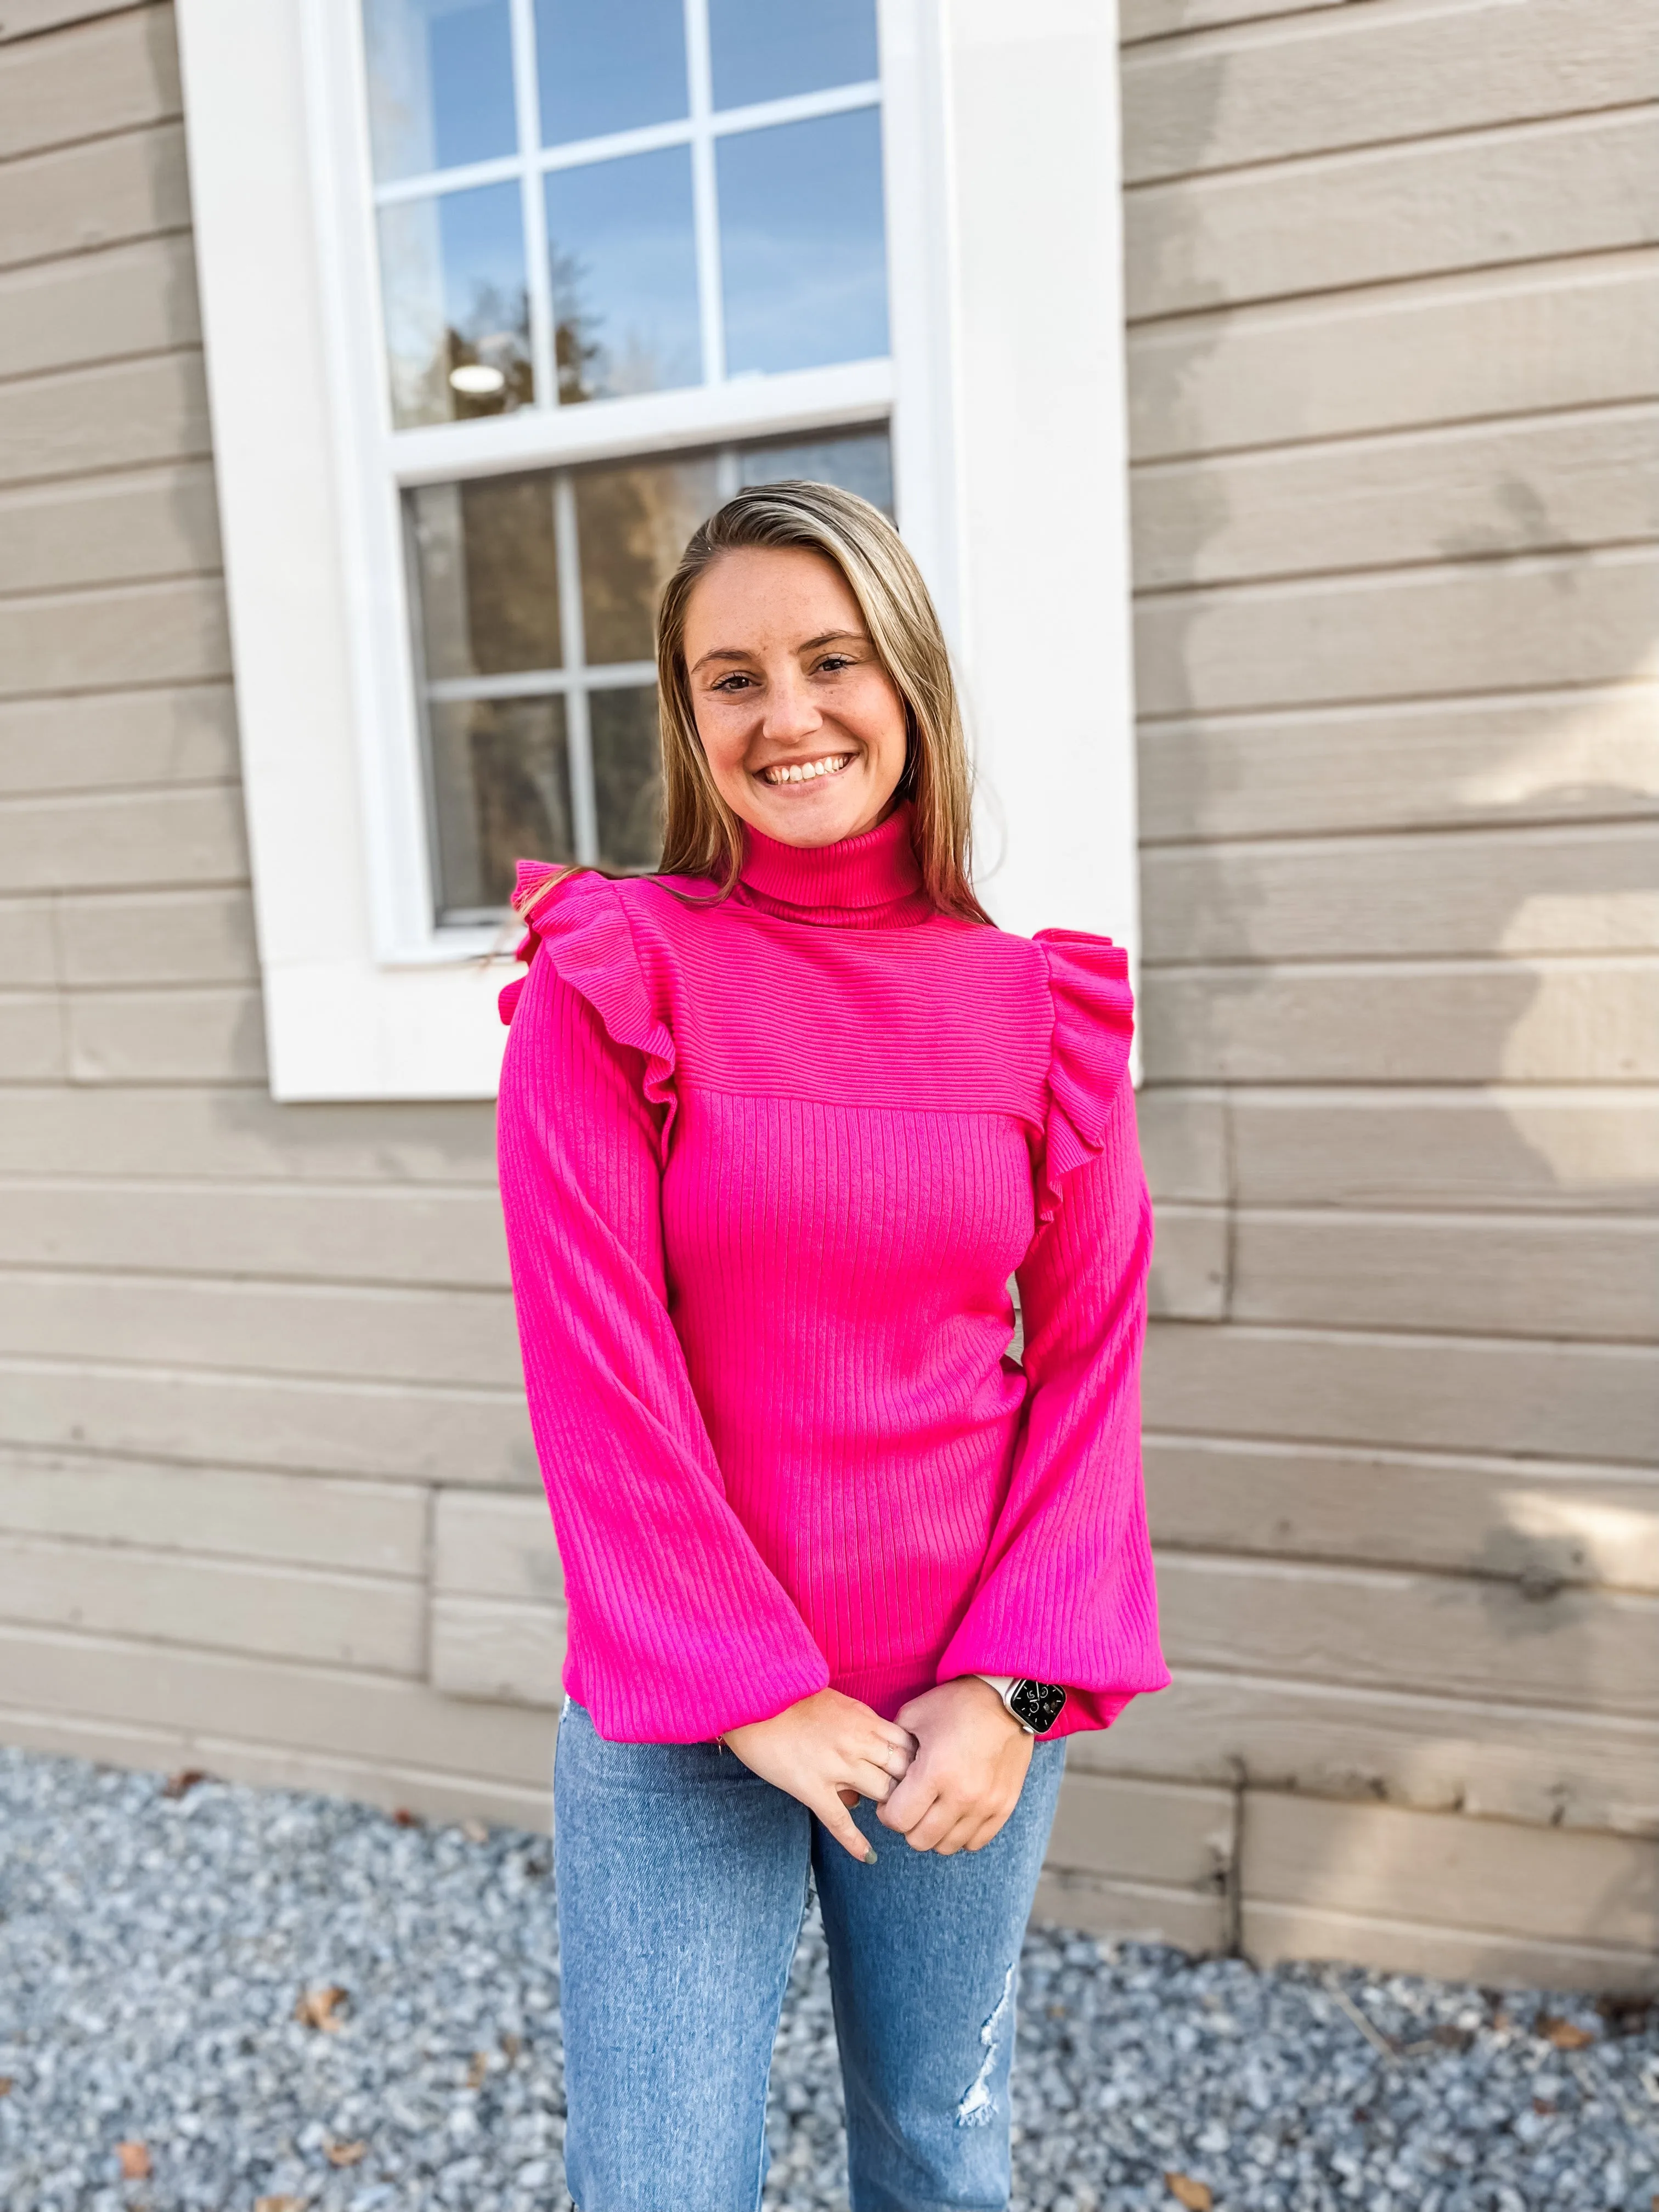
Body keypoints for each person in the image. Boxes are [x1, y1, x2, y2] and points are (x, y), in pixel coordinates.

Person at [495, 480, 1168, 2212]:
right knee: (658, 2180)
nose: (788, 715)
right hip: (681, 1708)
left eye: (831, 660)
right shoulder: (617, 969)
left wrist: (1017, 1693)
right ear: (688, 716)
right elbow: (595, 1364)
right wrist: (753, 1686)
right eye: (733, 678)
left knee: (941, 2151)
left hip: (961, 1707)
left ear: (909, 684)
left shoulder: (1041, 1012)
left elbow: (1091, 1372)